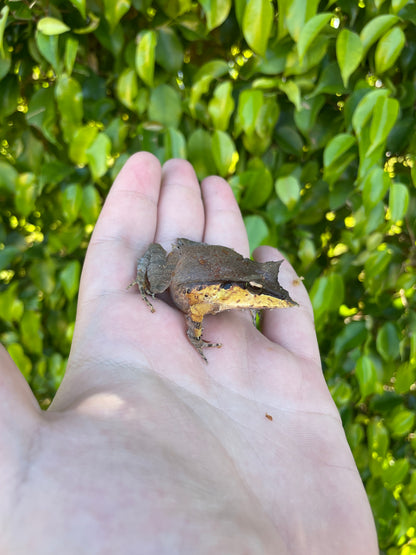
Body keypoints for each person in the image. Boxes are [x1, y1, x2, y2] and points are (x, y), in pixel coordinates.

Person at [0, 152, 378, 553]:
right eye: (260, 292)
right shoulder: (218, 295)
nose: (268, 296)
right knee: (161, 277)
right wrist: (195, 337)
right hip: (182, 277)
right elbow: (196, 307)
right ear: (245, 290)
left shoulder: (237, 291)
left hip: (204, 261)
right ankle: (146, 286)